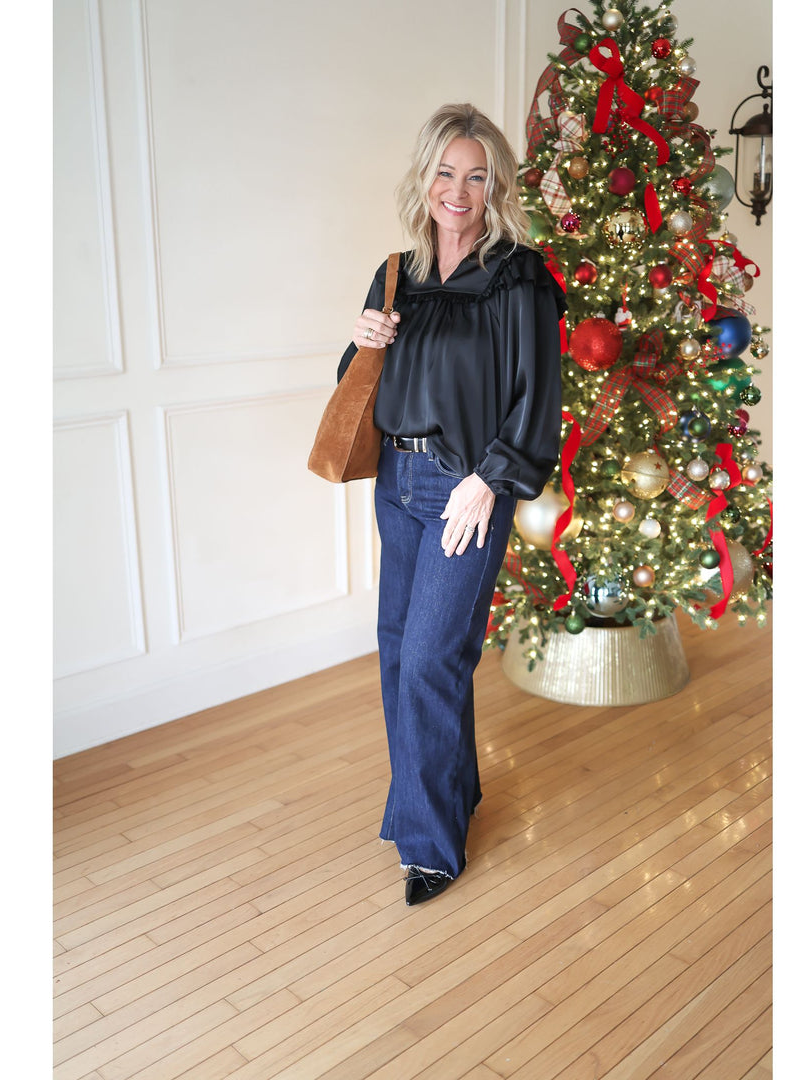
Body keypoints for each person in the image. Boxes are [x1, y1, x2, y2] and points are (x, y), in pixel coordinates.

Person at [337, 103, 566, 906]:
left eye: (476, 176)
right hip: (396, 486)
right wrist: (362, 340)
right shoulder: (398, 272)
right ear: (425, 178)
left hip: (465, 486)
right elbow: (362, 383)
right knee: (401, 651)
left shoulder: (519, 276)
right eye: (445, 172)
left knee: (434, 657)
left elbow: (539, 399)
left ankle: (429, 845)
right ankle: (449, 797)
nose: (458, 190)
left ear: (496, 185)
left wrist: (490, 478)